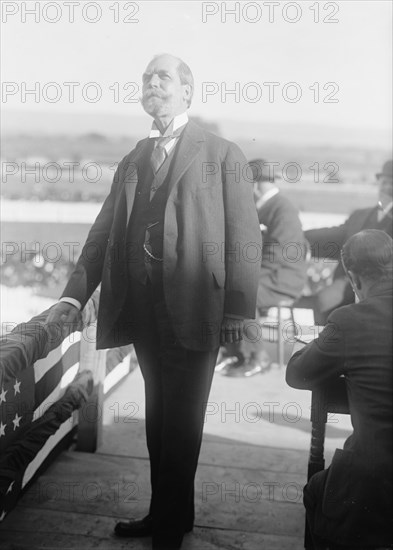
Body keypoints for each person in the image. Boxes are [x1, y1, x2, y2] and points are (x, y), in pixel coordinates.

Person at [45, 54, 261, 550]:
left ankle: (167, 527)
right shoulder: (134, 157)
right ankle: (169, 515)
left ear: (188, 91)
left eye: (163, 77)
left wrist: (237, 314)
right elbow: (102, 233)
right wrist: (73, 297)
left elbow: (244, 240)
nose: (152, 84)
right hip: (142, 312)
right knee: (159, 415)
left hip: (197, 311)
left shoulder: (222, 154)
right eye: (146, 78)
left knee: (182, 422)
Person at [286, 229, 393, 549]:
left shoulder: (351, 319)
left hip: (375, 480)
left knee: (317, 491)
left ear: (352, 276)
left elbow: (297, 374)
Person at [217, 158, 308, 376]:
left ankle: (258, 358)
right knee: (222, 289)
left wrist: (244, 277)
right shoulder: (263, 206)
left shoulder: (282, 208)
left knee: (243, 295)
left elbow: (276, 255)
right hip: (268, 274)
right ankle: (235, 353)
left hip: (283, 278)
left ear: (254, 184)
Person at [304, 159, 392, 324]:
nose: (387, 187)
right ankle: (326, 345)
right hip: (347, 281)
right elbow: (332, 236)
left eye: (392, 183)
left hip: (381, 289)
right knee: (320, 304)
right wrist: (297, 236)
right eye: (384, 182)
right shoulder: (360, 215)